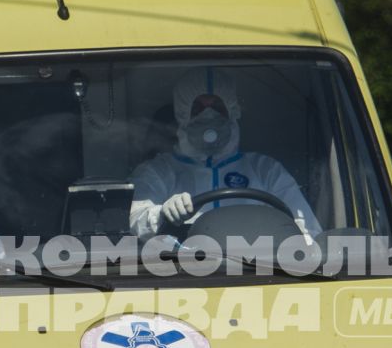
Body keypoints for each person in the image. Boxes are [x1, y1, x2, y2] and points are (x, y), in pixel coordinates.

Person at [129, 69, 322, 239]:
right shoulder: (159, 171)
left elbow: (306, 231)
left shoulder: (265, 170)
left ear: (232, 111)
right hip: (182, 273)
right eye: (198, 108)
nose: (209, 115)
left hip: (263, 272)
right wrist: (161, 214)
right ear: (182, 113)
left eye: (217, 106)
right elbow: (135, 219)